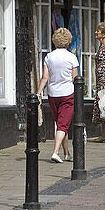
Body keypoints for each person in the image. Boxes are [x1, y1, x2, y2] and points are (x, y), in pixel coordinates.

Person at [36, 27, 79, 164]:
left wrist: (38, 93)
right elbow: (75, 78)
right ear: (68, 41)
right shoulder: (72, 57)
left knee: (61, 123)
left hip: (52, 94)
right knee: (62, 124)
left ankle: (66, 153)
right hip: (67, 94)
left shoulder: (49, 57)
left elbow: (45, 77)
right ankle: (55, 152)